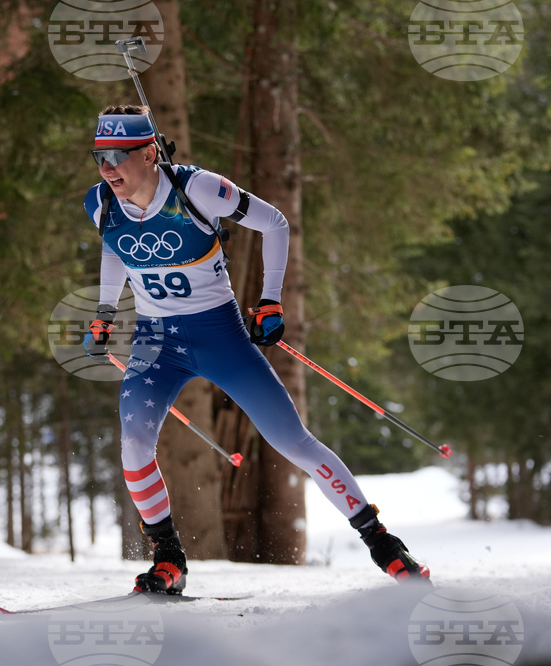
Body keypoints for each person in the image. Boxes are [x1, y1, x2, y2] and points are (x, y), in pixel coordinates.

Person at [81, 105, 431, 594]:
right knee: (134, 443)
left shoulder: (196, 188)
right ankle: (169, 559)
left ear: (149, 153)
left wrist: (271, 299)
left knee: (291, 441)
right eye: (100, 156)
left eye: (118, 156)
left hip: (218, 335)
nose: (107, 168)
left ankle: (384, 545)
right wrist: (104, 311)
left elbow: (276, 224)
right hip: (156, 341)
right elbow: (113, 247)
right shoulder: (100, 202)